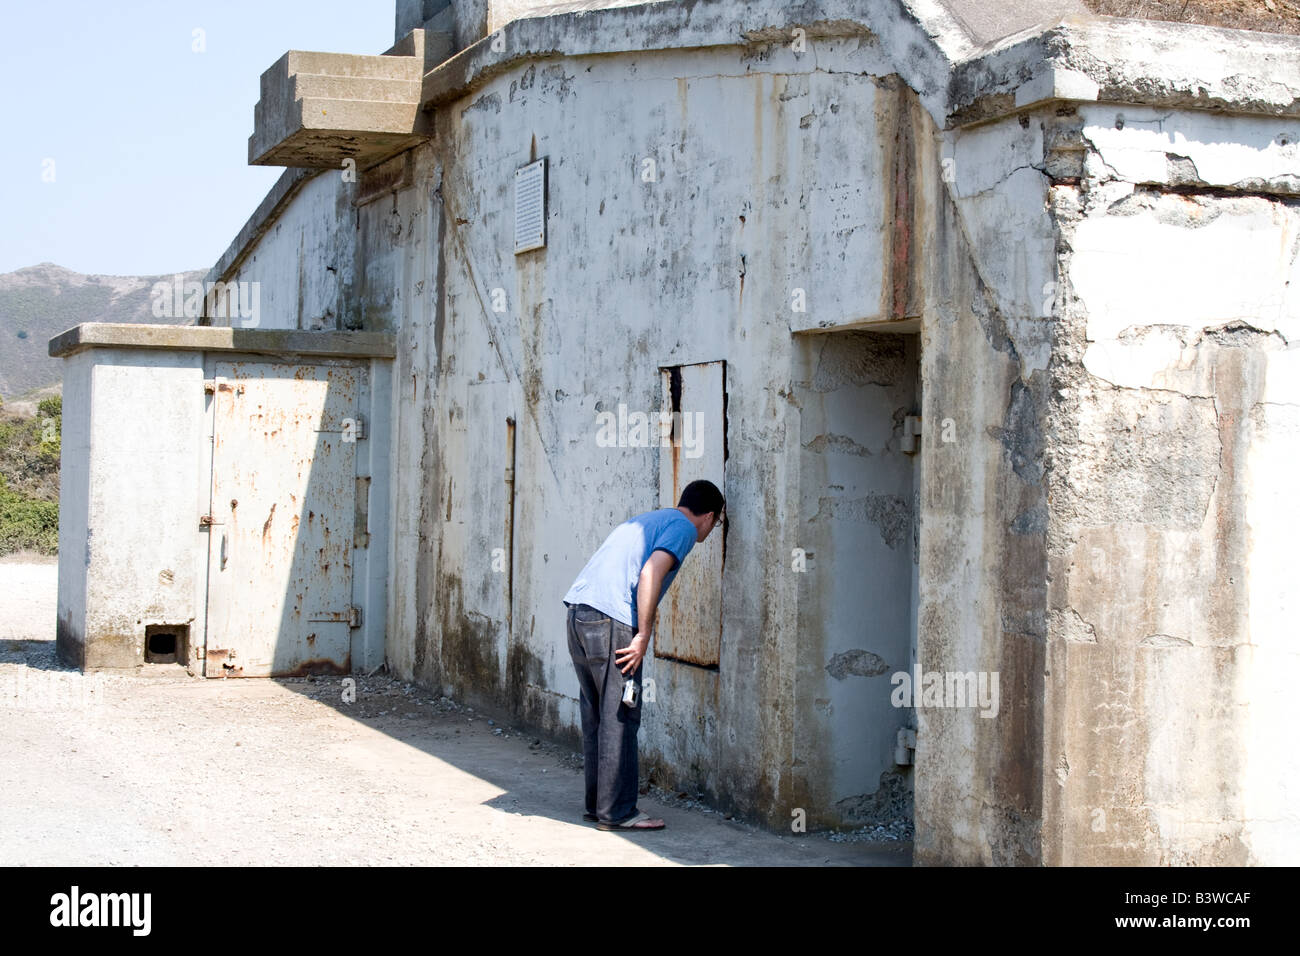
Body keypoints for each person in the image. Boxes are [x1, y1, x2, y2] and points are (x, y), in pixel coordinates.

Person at [563, 479, 725, 831]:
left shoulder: (651, 519)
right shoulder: (683, 528)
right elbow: (651, 571)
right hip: (612, 622)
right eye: (718, 524)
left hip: (579, 614)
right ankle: (619, 812)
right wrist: (644, 635)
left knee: (597, 717)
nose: (713, 531)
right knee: (622, 714)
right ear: (709, 516)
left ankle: (599, 808)